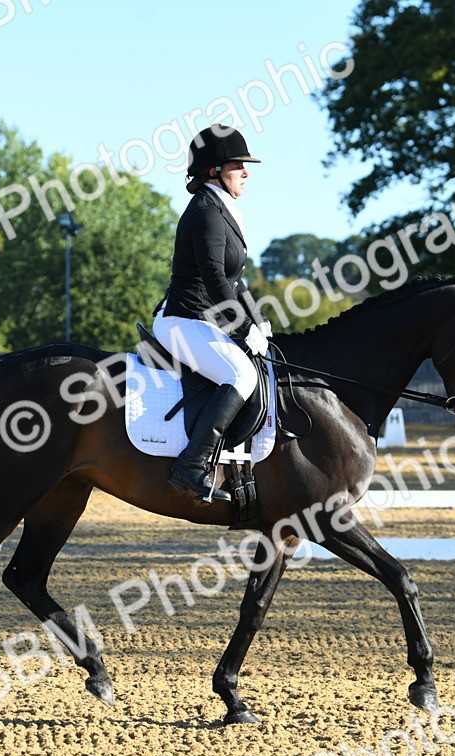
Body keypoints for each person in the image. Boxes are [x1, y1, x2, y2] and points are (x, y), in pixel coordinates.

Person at [153, 124, 270, 502]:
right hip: (182, 320)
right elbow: (214, 276)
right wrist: (241, 327)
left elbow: (235, 281)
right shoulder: (206, 211)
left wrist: (258, 320)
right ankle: (192, 465)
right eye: (239, 165)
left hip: (200, 320)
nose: (246, 173)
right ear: (214, 170)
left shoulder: (221, 209)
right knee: (240, 375)